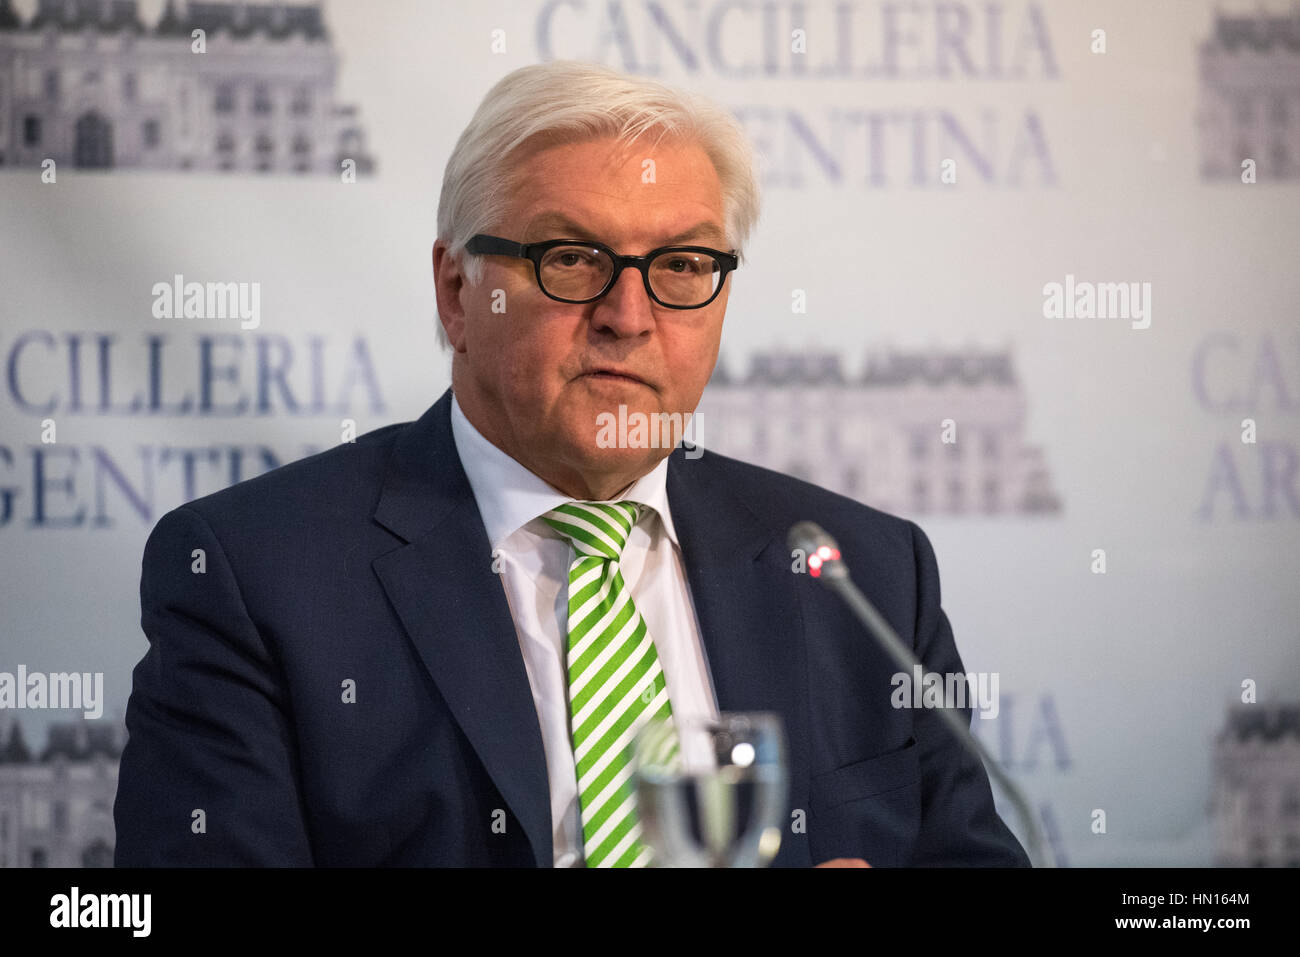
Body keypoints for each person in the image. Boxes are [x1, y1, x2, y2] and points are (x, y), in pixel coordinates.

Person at [113, 59, 1029, 868]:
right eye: (572, 258)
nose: (629, 316)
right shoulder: (254, 576)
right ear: (455, 292)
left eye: (680, 265)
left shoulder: (862, 568)